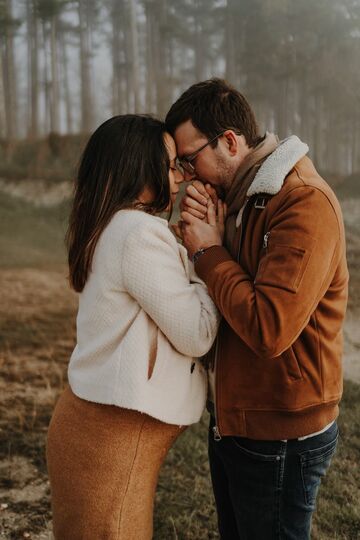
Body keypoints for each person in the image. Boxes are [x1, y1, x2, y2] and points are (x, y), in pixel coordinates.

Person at [165, 78, 349, 540]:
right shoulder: (243, 199)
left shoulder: (303, 202)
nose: (188, 174)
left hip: (282, 434)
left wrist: (209, 252)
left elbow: (270, 328)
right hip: (239, 420)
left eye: (191, 159)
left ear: (229, 141)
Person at [46, 114, 221, 540]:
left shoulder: (109, 224)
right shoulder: (137, 234)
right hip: (112, 437)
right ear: (135, 168)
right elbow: (197, 332)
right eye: (168, 164)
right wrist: (208, 255)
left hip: (94, 428)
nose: (178, 176)